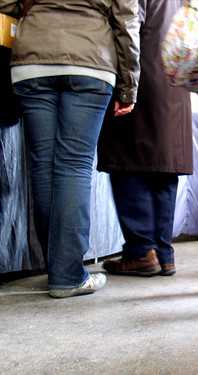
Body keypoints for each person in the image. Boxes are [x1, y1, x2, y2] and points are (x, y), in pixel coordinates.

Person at [0, 0, 140, 297]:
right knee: (73, 166)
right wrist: (128, 85)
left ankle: (59, 270)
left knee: (43, 165)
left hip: (32, 58)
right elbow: (127, 20)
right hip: (90, 58)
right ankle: (67, 275)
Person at [97, 0, 192, 278]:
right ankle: (163, 253)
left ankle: (140, 252)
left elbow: (128, 26)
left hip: (142, 77)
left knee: (129, 160)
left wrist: (127, 84)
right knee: (164, 166)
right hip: (175, 82)